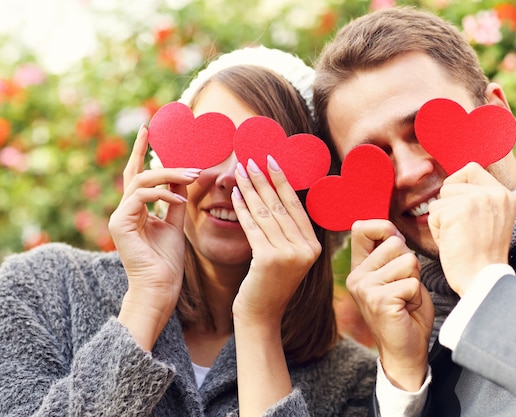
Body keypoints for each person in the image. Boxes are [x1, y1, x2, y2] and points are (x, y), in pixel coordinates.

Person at [0, 46, 377, 416]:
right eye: (213, 144)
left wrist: (259, 321)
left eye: (262, 156)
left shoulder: (353, 380)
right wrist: (147, 300)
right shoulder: (42, 287)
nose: (230, 178)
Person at [313, 6, 516, 417]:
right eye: (375, 156)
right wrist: (401, 381)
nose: (408, 172)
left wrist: (487, 287)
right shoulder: (404, 331)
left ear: (496, 110)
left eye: (426, 130)